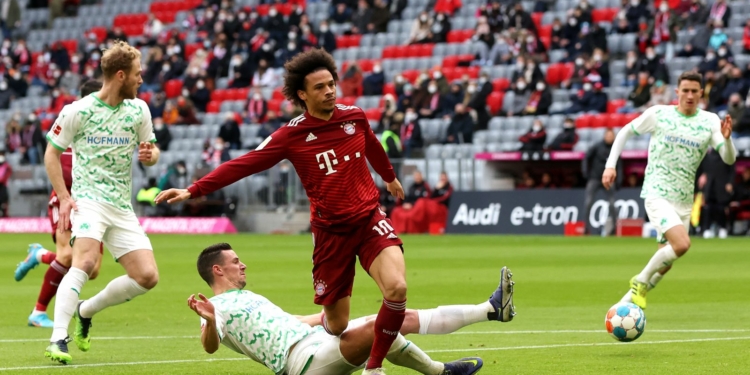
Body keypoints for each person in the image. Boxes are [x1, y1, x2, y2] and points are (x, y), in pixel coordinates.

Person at [156, 48, 514, 375]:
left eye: (332, 84)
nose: (330, 91)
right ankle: (448, 338)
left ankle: (374, 368)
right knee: (339, 323)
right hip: (331, 235)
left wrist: (389, 177)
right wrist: (194, 189)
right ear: (302, 95)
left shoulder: (354, 117)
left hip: (369, 219)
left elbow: (371, 144)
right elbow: (245, 163)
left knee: (397, 289)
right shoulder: (290, 135)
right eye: (320, 87)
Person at [189, 243, 515, 375]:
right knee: (381, 324)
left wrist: (327, 316)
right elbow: (209, 345)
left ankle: (489, 310)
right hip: (302, 362)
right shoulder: (215, 308)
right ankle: (440, 372)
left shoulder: (249, 297)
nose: (242, 265)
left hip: (316, 338)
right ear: (218, 270)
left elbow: (290, 321)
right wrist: (210, 319)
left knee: (398, 316)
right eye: (235, 262)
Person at [43, 40, 161, 364]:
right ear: (120, 75)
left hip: (121, 206)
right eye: (137, 74)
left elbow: (151, 151)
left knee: (148, 277)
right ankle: (57, 339)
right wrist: (65, 198)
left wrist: (151, 156)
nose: (141, 79)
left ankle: (86, 310)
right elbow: (51, 154)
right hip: (89, 200)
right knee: (84, 262)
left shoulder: (140, 110)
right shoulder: (77, 111)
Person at [603, 71, 737, 309]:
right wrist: (610, 166)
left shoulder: (709, 121)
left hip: (684, 200)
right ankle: (640, 282)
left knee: (666, 262)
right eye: (685, 90)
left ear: (701, 93)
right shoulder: (659, 114)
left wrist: (727, 140)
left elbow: (728, 159)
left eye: (694, 91)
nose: (689, 95)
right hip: (657, 193)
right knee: (682, 244)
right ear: (677, 92)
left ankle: (621, 307)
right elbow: (624, 131)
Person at [13, 79, 105, 328]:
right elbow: (55, 160)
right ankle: (38, 312)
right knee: (66, 256)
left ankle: (39, 255)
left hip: (94, 205)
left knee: (93, 269)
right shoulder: (70, 122)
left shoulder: (106, 129)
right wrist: (66, 194)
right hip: (66, 200)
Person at [583, 128, 622, 235]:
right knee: (588, 202)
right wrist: (586, 173)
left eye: (611, 136)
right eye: (608, 135)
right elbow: (586, 157)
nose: (609, 137)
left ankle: (614, 229)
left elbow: (619, 165)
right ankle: (586, 228)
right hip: (595, 178)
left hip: (609, 179)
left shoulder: (615, 148)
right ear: (604, 136)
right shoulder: (597, 146)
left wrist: (619, 180)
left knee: (612, 203)